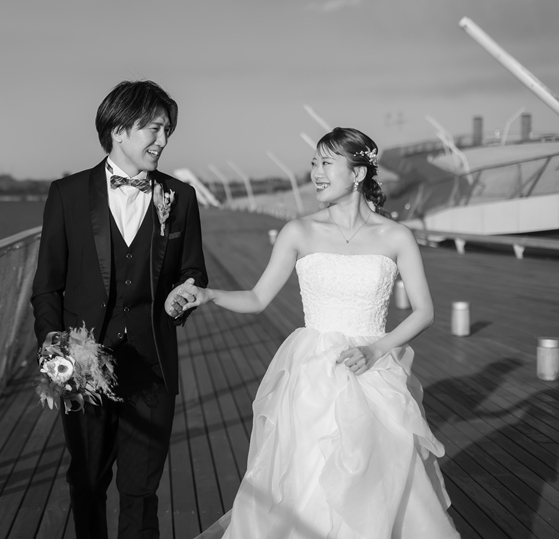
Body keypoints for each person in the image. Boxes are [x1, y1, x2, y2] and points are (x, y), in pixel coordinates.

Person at [175, 127, 460, 539]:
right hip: (313, 378)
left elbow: (424, 312)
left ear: (357, 173)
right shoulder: (298, 231)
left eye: (326, 163)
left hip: (374, 373)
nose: (316, 173)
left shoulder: (396, 236)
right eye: (313, 163)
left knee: (380, 481)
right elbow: (257, 297)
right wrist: (209, 294)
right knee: (305, 479)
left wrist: (376, 349)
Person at [31, 80, 208, 539]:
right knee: (87, 481)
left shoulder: (181, 198)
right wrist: (53, 349)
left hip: (152, 365)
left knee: (141, 490)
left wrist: (182, 297)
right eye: (154, 129)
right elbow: (47, 286)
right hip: (83, 367)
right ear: (118, 131)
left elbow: (194, 271)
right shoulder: (67, 194)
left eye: (167, 130)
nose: (163, 140)